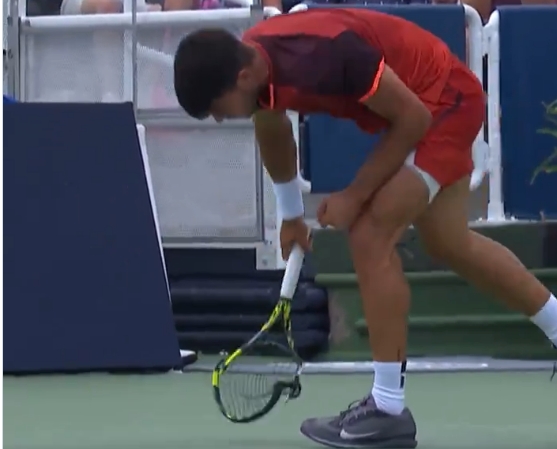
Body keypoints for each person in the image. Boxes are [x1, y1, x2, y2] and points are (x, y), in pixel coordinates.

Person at [172, 8, 557, 448]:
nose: (219, 120)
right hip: (424, 105)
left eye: (216, 110)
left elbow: (414, 119)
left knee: (370, 234)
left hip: (442, 105)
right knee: (449, 242)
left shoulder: (327, 55)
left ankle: (388, 408)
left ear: (241, 78)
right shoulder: (257, 65)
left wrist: (355, 195)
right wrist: (292, 215)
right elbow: (273, 130)